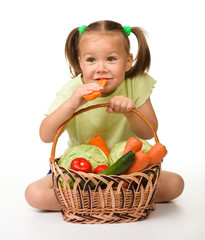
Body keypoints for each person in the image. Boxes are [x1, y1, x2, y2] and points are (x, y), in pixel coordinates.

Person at [25, 20, 184, 211]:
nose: (101, 68)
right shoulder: (73, 91)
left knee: (176, 184)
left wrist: (130, 113)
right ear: (80, 63)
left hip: (128, 171)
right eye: (91, 60)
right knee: (34, 194)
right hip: (81, 171)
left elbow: (149, 131)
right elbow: (45, 135)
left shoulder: (136, 82)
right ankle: (121, 201)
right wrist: (71, 104)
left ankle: (90, 203)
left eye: (111, 59)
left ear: (127, 62)